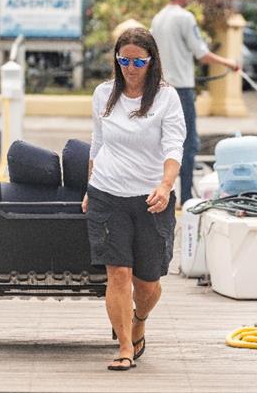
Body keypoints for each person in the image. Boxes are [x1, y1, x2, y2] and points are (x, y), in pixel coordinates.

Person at [82, 27, 186, 371]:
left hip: (150, 198)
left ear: (151, 61)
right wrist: (89, 185)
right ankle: (125, 346)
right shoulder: (103, 94)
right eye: (123, 60)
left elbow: (174, 146)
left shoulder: (166, 98)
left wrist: (166, 185)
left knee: (148, 282)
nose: (130, 67)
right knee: (118, 275)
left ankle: (139, 318)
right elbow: (98, 143)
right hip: (107, 193)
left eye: (137, 61)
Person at [151, 0, 240, 205]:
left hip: (159, 88)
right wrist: (229, 63)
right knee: (188, 143)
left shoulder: (158, 18)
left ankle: (163, 192)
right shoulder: (184, 17)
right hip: (180, 89)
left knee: (162, 142)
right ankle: (186, 198)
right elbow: (201, 53)